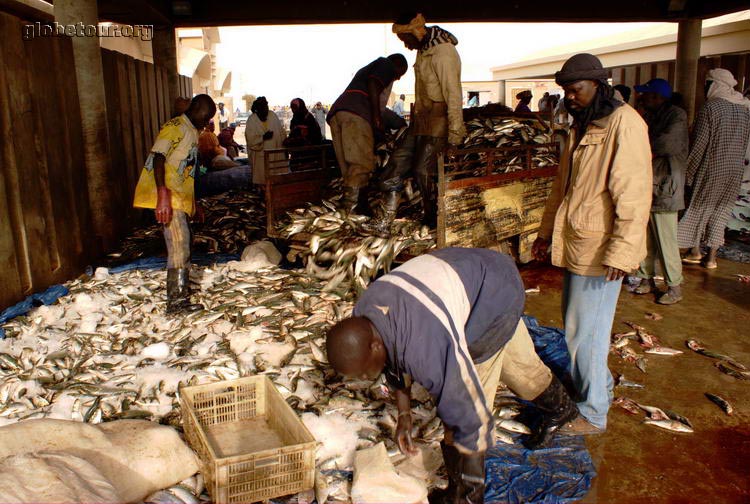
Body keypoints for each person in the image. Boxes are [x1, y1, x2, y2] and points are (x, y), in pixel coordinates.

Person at [326, 248, 579, 503]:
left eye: (365, 370)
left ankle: (463, 494)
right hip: (478, 275)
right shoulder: (365, 313)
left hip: (492, 295)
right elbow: (391, 358)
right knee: (518, 362)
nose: (367, 377)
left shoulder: (426, 348)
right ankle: (561, 408)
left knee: (466, 399)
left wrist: (471, 494)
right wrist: (404, 414)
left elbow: (467, 417)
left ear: (374, 346)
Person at [532, 53, 652, 435]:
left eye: (577, 89)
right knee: (578, 328)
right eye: (566, 90)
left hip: (602, 249)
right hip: (581, 244)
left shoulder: (625, 124)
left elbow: (633, 194)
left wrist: (622, 251)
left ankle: (594, 413)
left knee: (589, 333)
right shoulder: (584, 125)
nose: (570, 97)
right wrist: (545, 232)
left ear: (599, 85)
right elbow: (562, 189)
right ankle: (596, 388)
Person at [375, 12, 467, 232]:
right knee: (392, 169)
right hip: (420, 122)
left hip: (439, 122)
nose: (406, 46)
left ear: (417, 32)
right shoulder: (423, 50)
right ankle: (384, 224)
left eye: (406, 40)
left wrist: (455, 135)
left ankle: (433, 218)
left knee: (422, 171)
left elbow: (453, 94)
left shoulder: (443, 52)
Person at [133, 94, 216, 313]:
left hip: (180, 197)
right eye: (206, 116)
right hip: (169, 196)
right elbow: (158, 157)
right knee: (179, 245)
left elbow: (186, 172)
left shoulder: (192, 130)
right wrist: (162, 194)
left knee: (185, 243)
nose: (206, 122)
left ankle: (180, 296)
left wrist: (194, 203)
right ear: (196, 108)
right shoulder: (175, 126)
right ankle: (177, 303)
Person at [677, 69, 750, 269]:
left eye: (707, 84)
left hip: (711, 168)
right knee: (721, 212)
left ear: (715, 84)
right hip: (734, 171)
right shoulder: (745, 108)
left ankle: (694, 250)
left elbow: (700, 143)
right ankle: (711, 258)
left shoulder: (711, 107)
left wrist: (688, 172)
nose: (705, 88)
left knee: (698, 209)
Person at [327, 53, 409, 214]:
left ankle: (360, 207)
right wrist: (377, 118)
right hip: (356, 114)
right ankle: (351, 212)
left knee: (349, 168)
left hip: (338, 114)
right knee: (361, 164)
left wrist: (391, 120)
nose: (397, 78)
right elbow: (373, 84)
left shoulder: (366, 70)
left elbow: (381, 106)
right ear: (397, 64)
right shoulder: (385, 64)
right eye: (400, 73)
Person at [631, 79, 688, 305]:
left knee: (666, 240)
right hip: (647, 185)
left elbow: (666, 145)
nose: (643, 99)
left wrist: (640, 145)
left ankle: (674, 286)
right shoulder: (649, 115)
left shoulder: (676, 116)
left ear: (658, 97)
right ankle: (646, 279)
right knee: (645, 239)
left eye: (646, 95)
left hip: (665, 187)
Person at [245, 96, 286, 186]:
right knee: (262, 179)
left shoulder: (273, 115)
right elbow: (250, 140)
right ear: (257, 110)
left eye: (266, 107)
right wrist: (263, 137)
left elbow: (281, 132)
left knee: (276, 177)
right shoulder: (252, 120)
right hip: (260, 157)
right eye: (263, 108)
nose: (265, 110)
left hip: (275, 154)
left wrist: (285, 142)